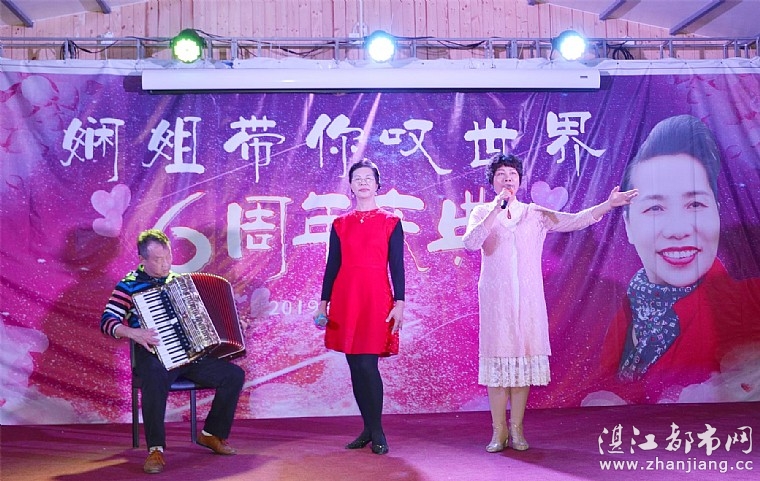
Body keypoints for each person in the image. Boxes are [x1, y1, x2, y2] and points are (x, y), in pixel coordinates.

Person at [462, 153, 637, 452]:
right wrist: (495, 209)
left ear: (519, 180)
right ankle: (498, 432)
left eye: (512, 174)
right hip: (497, 302)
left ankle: (517, 430)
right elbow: (470, 243)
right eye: (501, 174)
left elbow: (575, 220)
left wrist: (608, 205)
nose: (507, 178)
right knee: (498, 367)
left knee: (523, 364)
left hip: (529, 302)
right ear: (493, 182)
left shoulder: (535, 214)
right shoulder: (482, 212)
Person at [597, 114, 760, 403]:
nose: (678, 230)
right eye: (655, 209)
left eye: (695, 204)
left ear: (717, 212)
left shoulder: (745, 302)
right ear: (628, 226)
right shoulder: (625, 312)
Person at [100, 229, 245, 474]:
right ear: (142, 260)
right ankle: (155, 449)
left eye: (168, 257)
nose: (165, 263)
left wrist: (227, 327)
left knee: (233, 375)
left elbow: (204, 319)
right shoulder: (128, 286)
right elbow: (107, 321)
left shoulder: (181, 282)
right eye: (158, 259)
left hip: (189, 356)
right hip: (154, 356)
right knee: (153, 377)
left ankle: (211, 434)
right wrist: (134, 333)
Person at [314, 159, 405, 455]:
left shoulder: (391, 221)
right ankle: (367, 428)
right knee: (355, 366)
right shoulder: (340, 224)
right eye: (357, 178)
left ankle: (377, 431)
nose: (363, 182)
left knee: (368, 364)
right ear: (351, 186)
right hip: (346, 298)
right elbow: (332, 265)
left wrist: (400, 303)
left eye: (368, 178)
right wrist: (323, 302)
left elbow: (397, 266)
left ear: (377, 184)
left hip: (376, 298)